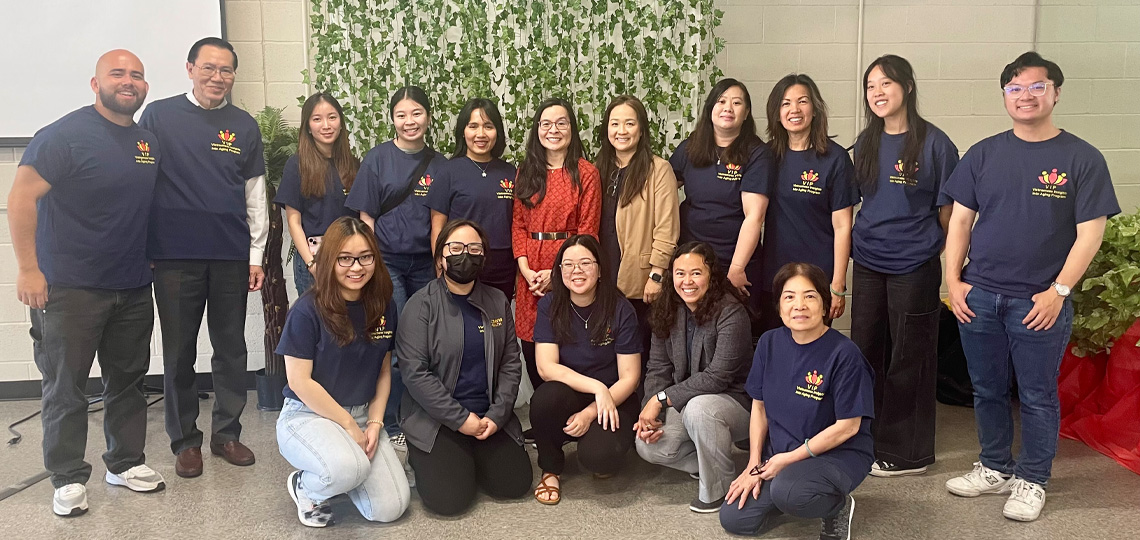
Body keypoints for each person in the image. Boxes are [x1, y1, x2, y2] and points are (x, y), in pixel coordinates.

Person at [941, 52, 1120, 522]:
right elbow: (960, 221)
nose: (1026, 95)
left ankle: (1033, 478)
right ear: (1004, 96)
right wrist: (953, 281)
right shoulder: (983, 153)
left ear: (1056, 93)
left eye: (1037, 86)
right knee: (987, 389)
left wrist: (1058, 291)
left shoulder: (1081, 157)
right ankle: (995, 466)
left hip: (1039, 300)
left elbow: (1091, 232)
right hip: (979, 296)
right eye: (1016, 88)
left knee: (1038, 393)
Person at [8, 49, 166, 517]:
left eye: (136, 75)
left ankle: (124, 462)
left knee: (128, 381)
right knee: (66, 386)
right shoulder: (62, 136)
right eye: (117, 73)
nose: (129, 81)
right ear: (95, 84)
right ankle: (68, 476)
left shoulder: (146, 142)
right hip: (69, 288)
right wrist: (28, 270)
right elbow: (20, 200)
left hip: (133, 285)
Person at [140, 37, 267, 477]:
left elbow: (255, 196)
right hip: (174, 257)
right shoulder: (158, 115)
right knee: (178, 353)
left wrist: (256, 255)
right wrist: (144, 246)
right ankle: (185, 442)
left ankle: (227, 435)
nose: (218, 77)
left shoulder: (244, 126)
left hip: (230, 255)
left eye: (226, 70)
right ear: (190, 68)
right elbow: (141, 182)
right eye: (209, 68)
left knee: (232, 349)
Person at [849, 55, 959, 477]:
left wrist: (944, 261)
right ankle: (866, 438)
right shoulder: (866, 142)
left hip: (914, 264)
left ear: (908, 87)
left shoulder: (935, 143)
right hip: (870, 262)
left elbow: (950, 213)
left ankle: (908, 453)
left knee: (909, 356)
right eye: (870, 86)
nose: (877, 93)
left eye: (886, 84)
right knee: (866, 350)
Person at [720, 263, 874, 540]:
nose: (799, 305)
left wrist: (787, 460)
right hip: (781, 454)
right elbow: (759, 406)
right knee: (735, 518)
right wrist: (755, 463)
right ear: (779, 307)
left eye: (810, 296)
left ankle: (835, 507)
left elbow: (848, 427)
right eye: (789, 297)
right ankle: (791, 492)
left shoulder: (845, 354)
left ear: (825, 306)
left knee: (789, 491)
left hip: (837, 455)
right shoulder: (768, 343)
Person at [275, 217, 409, 527]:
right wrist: (349, 425)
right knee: (348, 468)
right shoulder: (307, 310)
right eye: (344, 258)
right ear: (329, 260)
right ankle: (306, 487)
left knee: (391, 508)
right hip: (308, 415)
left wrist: (374, 422)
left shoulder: (383, 305)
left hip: (362, 412)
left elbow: (383, 371)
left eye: (365, 257)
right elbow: (299, 381)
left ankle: (344, 471)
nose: (356, 267)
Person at [397, 219, 533, 516]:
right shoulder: (420, 305)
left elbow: (511, 363)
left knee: (515, 484)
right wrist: (461, 420)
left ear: (484, 257)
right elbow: (415, 373)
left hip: (488, 417)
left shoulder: (497, 301)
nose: (465, 256)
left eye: (474, 249)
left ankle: (471, 457)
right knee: (449, 501)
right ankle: (431, 455)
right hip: (438, 419)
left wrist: (497, 416)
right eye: (455, 248)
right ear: (440, 258)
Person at [345, 85, 448, 445]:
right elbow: (365, 218)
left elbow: (439, 222)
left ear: (428, 117)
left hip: (425, 264)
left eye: (416, 113)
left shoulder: (439, 164)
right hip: (387, 262)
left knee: (429, 341)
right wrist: (370, 264)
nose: (410, 121)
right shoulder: (377, 159)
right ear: (392, 119)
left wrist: (440, 266)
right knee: (398, 341)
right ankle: (391, 421)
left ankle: (428, 416)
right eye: (402, 115)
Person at [635, 242, 752, 513]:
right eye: (680, 273)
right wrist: (652, 413)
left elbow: (717, 377)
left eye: (696, 273)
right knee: (647, 445)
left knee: (699, 410)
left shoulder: (731, 312)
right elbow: (657, 368)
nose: (687, 281)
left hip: (735, 403)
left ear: (711, 275)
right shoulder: (667, 310)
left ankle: (718, 491)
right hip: (685, 400)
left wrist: (662, 399)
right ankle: (715, 463)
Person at [530, 235, 641, 505]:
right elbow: (546, 368)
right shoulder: (549, 305)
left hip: (616, 397)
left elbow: (630, 377)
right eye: (567, 265)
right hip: (573, 391)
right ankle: (551, 468)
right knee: (544, 399)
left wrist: (593, 410)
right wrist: (595, 388)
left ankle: (595, 445)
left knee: (599, 459)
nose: (576, 271)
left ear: (600, 269)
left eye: (585, 263)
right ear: (559, 271)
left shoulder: (621, 308)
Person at [670, 78, 773, 339]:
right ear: (710, 108)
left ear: (746, 113)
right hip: (692, 260)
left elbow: (754, 216)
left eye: (737, 103)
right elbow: (663, 190)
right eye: (721, 101)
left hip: (733, 261)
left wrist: (737, 268)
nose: (728, 108)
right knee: (691, 333)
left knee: (732, 334)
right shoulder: (692, 147)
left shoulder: (756, 153)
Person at [512, 98, 602, 394]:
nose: (554, 130)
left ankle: (571, 410)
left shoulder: (585, 172)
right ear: (537, 129)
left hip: (569, 268)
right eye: (546, 123)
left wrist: (557, 275)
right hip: (530, 270)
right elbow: (519, 225)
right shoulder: (526, 170)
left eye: (561, 123)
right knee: (530, 341)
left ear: (572, 129)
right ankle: (542, 412)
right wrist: (526, 271)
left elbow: (588, 231)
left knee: (565, 340)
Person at [759, 74, 857, 333]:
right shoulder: (767, 156)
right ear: (776, 112)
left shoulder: (834, 159)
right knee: (776, 351)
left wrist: (838, 284)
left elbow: (843, 226)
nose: (794, 109)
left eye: (802, 101)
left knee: (812, 358)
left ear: (814, 109)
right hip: (774, 277)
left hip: (818, 278)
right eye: (785, 103)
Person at [594, 94, 679, 358]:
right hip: (602, 275)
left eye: (629, 123)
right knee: (606, 351)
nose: (621, 131)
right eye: (614, 123)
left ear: (641, 129)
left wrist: (657, 275)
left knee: (638, 350)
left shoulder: (658, 169)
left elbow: (667, 227)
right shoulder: (598, 168)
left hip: (640, 279)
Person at [426, 98, 517, 300]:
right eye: (473, 126)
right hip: (461, 262)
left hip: (503, 266)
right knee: (461, 324)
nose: (481, 134)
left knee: (497, 322)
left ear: (497, 132)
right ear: (463, 131)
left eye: (488, 126)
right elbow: (437, 226)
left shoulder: (510, 172)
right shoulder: (448, 172)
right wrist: (440, 264)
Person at [275, 92, 360, 295]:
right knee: (316, 323)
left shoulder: (354, 165)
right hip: (314, 258)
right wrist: (312, 264)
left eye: (332, 117)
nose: (326, 125)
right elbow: (293, 222)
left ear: (341, 122)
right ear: (308, 127)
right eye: (317, 119)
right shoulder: (297, 165)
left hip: (350, 258)